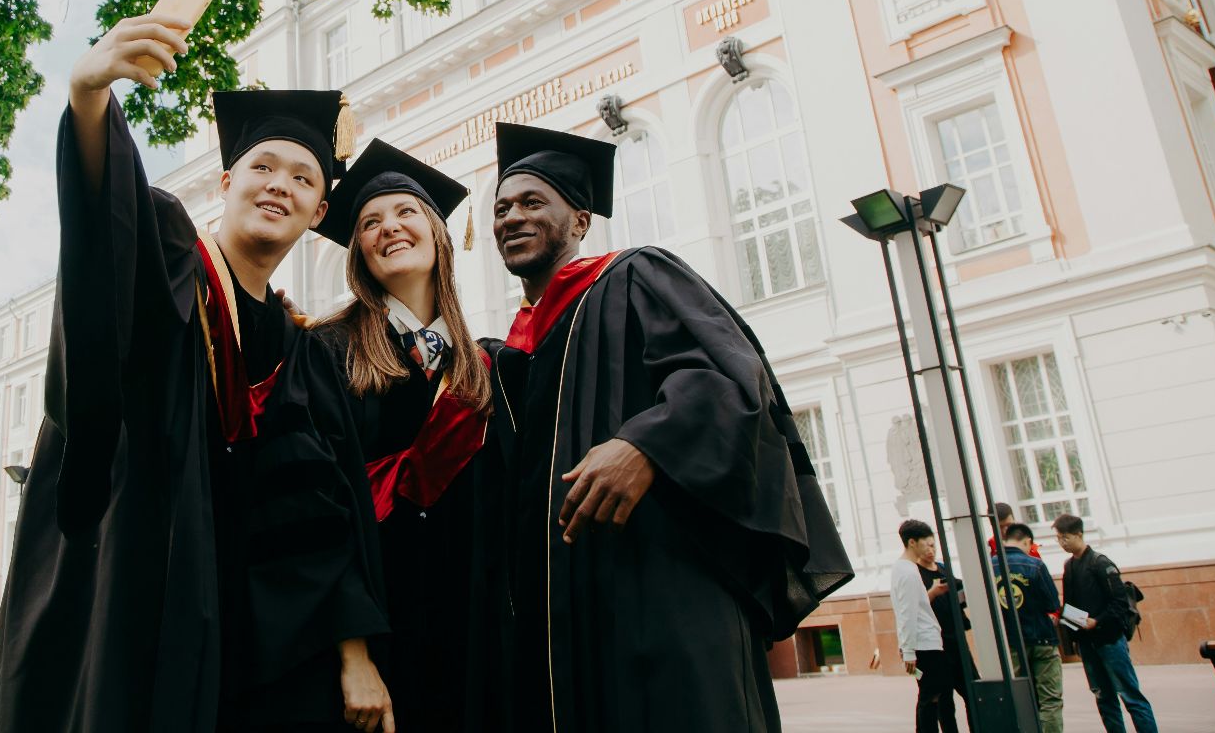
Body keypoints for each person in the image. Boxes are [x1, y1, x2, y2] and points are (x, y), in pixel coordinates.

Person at [0, 8, 391, 733]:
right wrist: (88, 100)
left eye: (302, 176)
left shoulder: (303, 355)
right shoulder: (170, 254)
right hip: (134, 584)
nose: (280, 184)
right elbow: (102, 228)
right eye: (263, 167)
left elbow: (323, 518)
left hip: (247, 635)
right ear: (228, 179)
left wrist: (354, 653)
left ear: (319, 208)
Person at [483, 122, 851, 731]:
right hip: (568, 610)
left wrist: (644, 444)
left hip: (663, 586)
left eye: (531, 202)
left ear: (579, 221)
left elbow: (726, 377)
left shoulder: (635, 276)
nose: (511, 217)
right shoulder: (516, 353)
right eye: (501, 208)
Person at [306, 139, 512, 733]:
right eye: (370, 221)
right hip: (377, 645)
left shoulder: (481, 370)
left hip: (472, 643)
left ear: (438, 233)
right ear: (357, 252)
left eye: (405, 213)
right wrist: (354, 653)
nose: (388, 228)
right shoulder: (327, 353)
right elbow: (315, 512)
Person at [1055, 513, 1157, 733]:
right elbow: (1069, 605)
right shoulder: (1069, 567)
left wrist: (1096, 621)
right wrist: (1072, 626)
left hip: (1110, 640)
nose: (1062, 542)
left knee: (1130, 695)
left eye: (1066, 537)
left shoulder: (1100, 563)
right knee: (1103, 697)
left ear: (1079, 534)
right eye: (1059, 538)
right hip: (1087, 644)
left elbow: (1119, 603)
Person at [891, 520, 961, 733]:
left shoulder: (902, 569)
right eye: (926, 543)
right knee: (930, 698)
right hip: (925, 644)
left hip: (922, 643)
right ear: (912, 542)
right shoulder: (909, 573)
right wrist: (909, 649)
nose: (930, 548)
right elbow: (907, 613)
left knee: (931, 697)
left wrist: (906, 646)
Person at [995, 521, 1064, 733]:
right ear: (1027, 541)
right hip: (1042, 639)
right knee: (1050, 700)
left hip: (1011, 644)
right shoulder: (1035, 565)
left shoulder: (989, 565)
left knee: (1019, 699)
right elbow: (1053, 604)